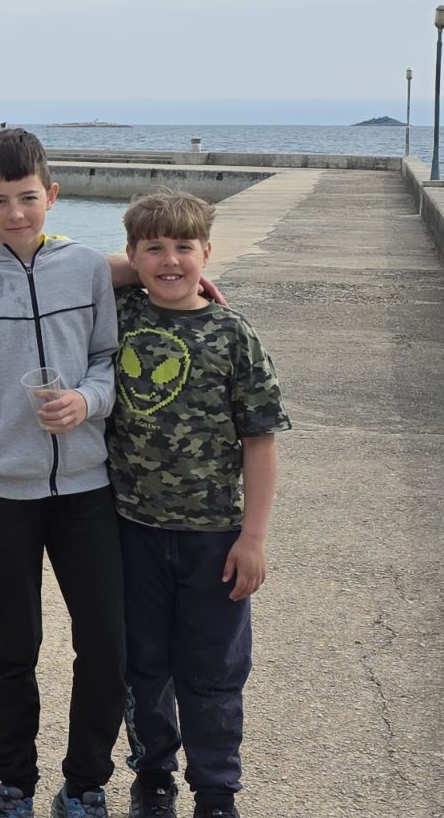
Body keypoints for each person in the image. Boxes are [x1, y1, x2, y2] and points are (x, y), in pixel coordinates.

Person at [0, 128, 123, 818]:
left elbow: (107, 358)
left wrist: (87, 401)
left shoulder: (89, 269)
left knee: (105, 644)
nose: (15, 213)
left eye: (28, 197)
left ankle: (86, 782)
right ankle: (15, 783)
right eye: (0, 201)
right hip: (0, 494)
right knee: (15, 647)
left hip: (88, 489)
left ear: (53, 195)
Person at [108, 192, 288, 818]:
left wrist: (253, 539)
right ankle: (153, 778)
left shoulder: (233, 333)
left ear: (207, 254)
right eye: (153, 249)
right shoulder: (120, 314)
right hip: (131, 529)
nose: (170, 260)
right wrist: (135, 267)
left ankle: (215, 789)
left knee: (214, 669)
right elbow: (70, 268)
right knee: (142, 666)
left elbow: (260, 441)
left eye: (184, 248)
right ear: (132, 255)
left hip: (214, 536)